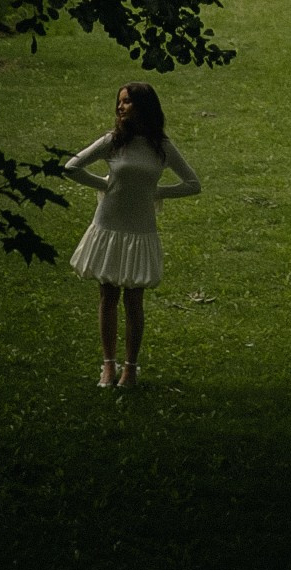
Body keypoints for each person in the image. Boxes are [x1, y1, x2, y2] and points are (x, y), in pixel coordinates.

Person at [63, 82, 201, 389]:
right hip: (109, 225)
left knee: (135, 300)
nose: (120, 106)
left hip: (140, 229)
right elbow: (71, 167)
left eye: (126, 101)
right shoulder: (113, 141)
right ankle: (108, 365)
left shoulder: (161, 146)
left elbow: (193, 184)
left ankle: (131, 368)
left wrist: (155, 192)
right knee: (108, 295)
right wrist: (104, 185)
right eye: (119, 101)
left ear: (143, 106)